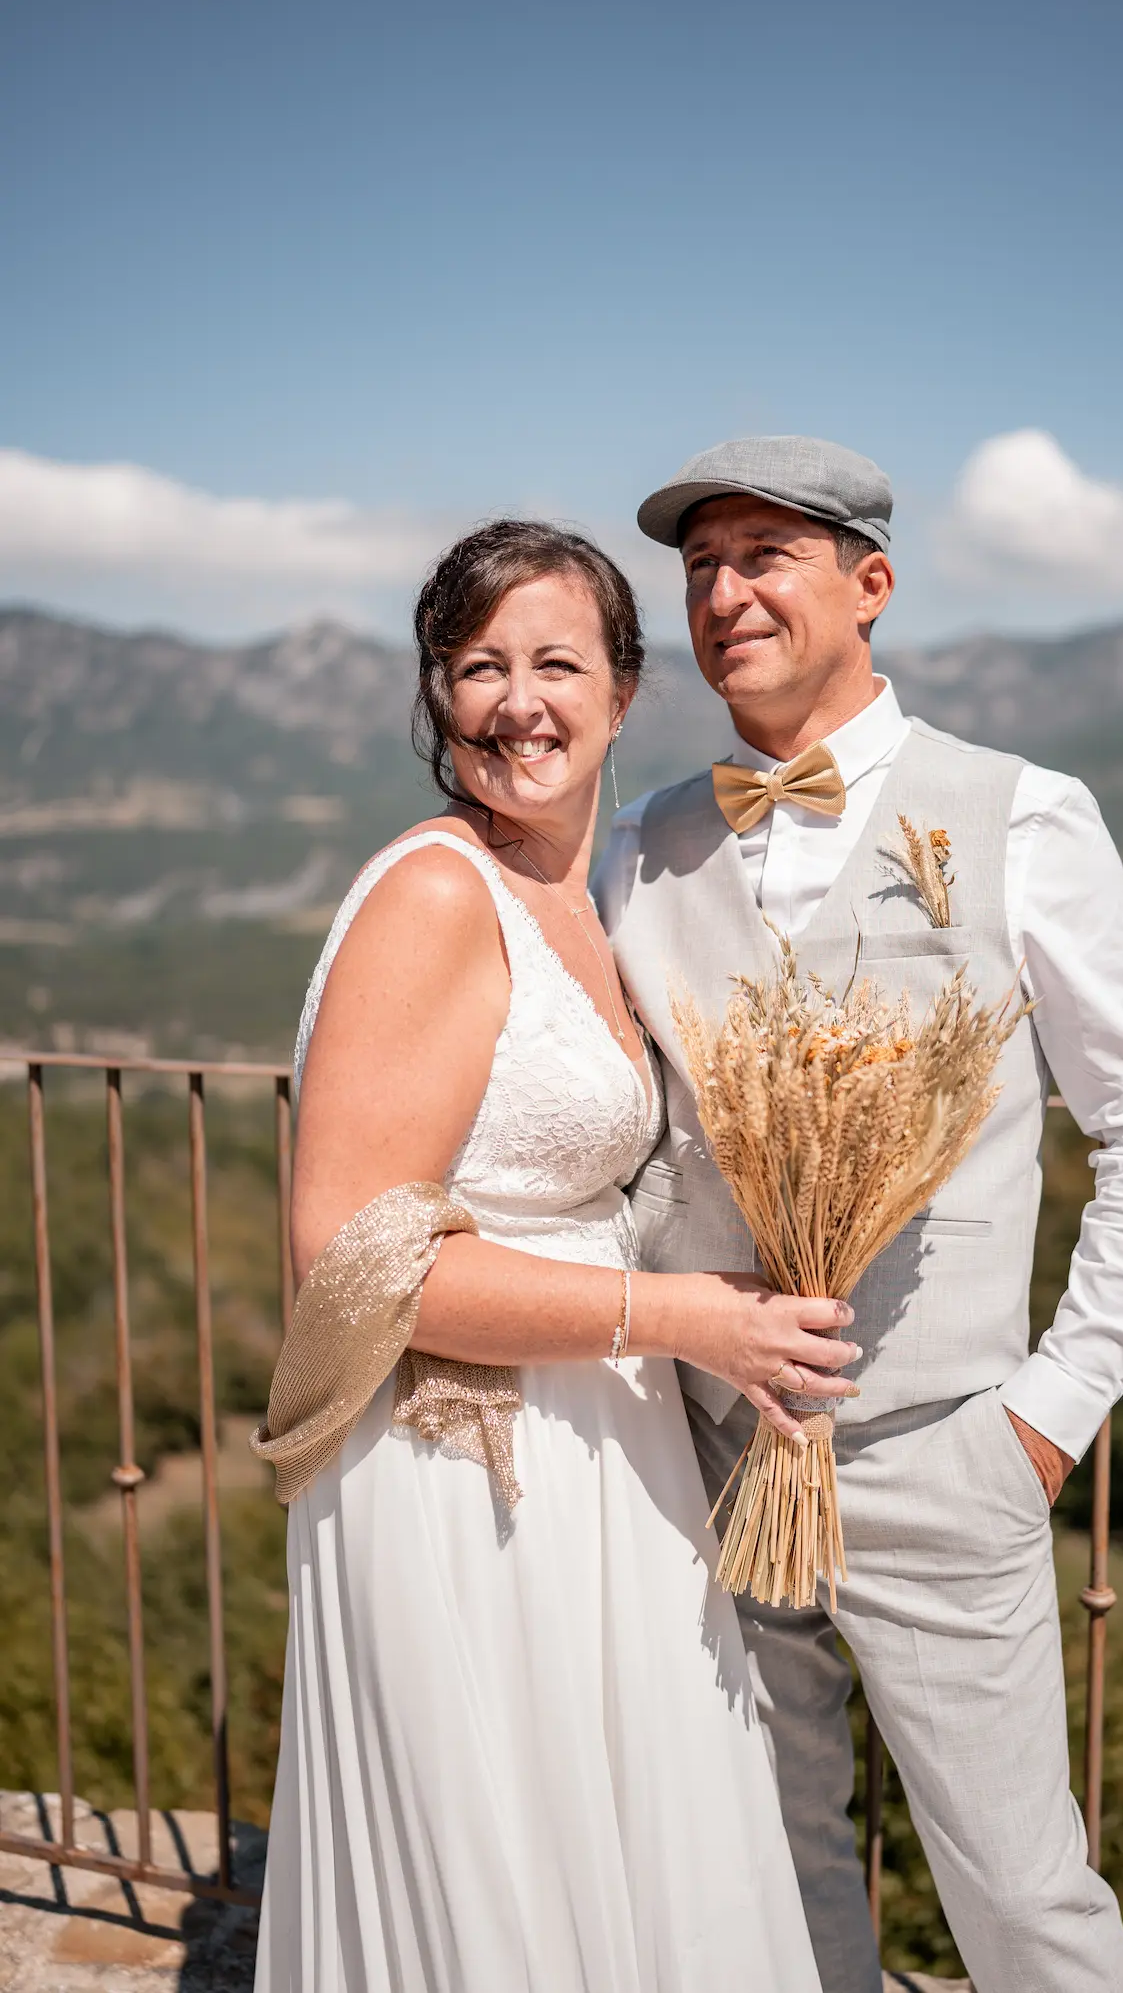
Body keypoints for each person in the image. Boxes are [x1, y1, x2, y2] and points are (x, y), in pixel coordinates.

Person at [597, 437, 1123, 1993]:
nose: (724, 594)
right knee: (774, 1863)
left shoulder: (1023, 817)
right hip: (711, 1453)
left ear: (870, 586)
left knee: (1020, 1894)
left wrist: (1047, 1416)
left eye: (764, 557)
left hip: (942, 1448)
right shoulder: (644, 838)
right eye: (701, 567)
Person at [253, 520, 849, 1993]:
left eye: (556, 662)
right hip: (469, 1463)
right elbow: (348, 1253)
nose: (518, 699)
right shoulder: (439, 892)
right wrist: (687, 1318)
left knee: (623, 1859)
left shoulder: (581, 892)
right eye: (479, 666)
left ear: (624, 691)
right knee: (504, 1878)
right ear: (436, 696)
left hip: (607, 1439)